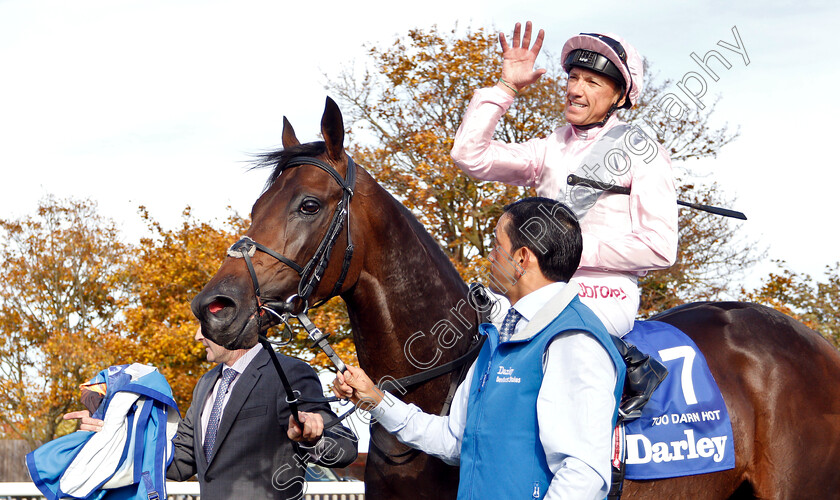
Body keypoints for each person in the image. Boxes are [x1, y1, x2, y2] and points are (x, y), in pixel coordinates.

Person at [334, 197, 626, 500]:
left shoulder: (574, 339)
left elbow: (584, 473)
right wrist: (377, 401)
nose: (490, 257)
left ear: (522, 258)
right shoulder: (497, 338)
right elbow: (454, 439)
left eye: (497, 245)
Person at [450, 22, 679, 337]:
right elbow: (468, 155)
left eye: (592, 82)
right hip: (532, 290)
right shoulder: (549, 148)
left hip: (602, 294)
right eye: (573, 78)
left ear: (620, 96)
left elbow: (660, 247)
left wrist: (566, 251)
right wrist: (507, 87)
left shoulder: (644, 152)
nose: (575, 90)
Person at [67, 327, 357, 500]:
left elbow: (344, 449)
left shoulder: (289, 372)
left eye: (204, 327)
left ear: (233, 325)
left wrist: (313, 437)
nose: (196, 336)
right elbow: (177, 463)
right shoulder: (205, 383)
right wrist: (110, 434)